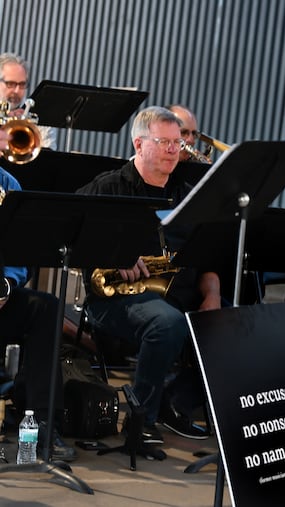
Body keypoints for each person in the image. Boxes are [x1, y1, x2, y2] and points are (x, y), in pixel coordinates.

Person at [76, 106, 221, 445]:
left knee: (238, 323)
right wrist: (113, 254)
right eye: (165, 142)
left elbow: (209, 254)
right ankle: (141, 421)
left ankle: (174, 402)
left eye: (177, 143)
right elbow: (75, 235)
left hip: (179, 294)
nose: (175, 149)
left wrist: (212, 293)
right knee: (167, 323)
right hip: (117, 299)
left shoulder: (189, 194)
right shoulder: (108, 187)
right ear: (139, 145)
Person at [0, 130, 76, 461]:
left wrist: (6, 286)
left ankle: (42, 425)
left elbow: (22, 252)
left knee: (46, 309)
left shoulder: (9, 185)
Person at [0, 52, 57, 149]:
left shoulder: (38, 116)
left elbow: (49, 155)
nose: (17, 90)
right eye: (10, 84)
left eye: (22, 84)